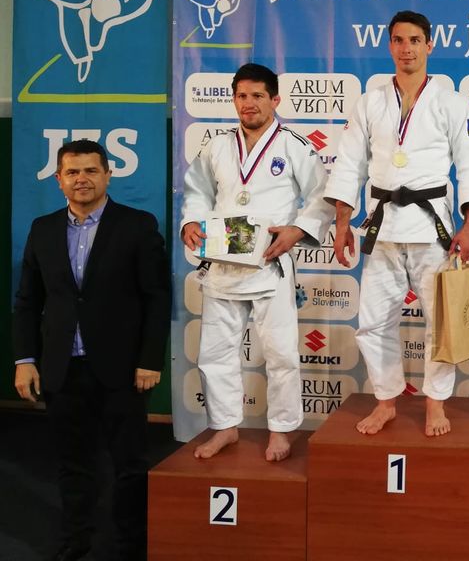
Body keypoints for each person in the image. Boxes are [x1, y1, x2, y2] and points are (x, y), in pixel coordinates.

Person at [325, 10, 469, 437]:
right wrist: (342, 223)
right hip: (382, 227)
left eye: (415, 40)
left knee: (441, 323)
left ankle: (435, 403)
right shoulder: (370, 101)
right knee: (373, 322)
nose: (406, 48)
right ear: (389, 45)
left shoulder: (451, 103)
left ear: (429, 45)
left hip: (433, 228)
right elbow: (349, 165)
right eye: (398, 40)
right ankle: (386, 401)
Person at [13, 139, 169, 561]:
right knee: (72, 464)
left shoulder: (137, 225)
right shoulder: (42, 229)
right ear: (59, 179)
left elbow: (157, 298)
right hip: (62, 368)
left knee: (130, 465)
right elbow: (27, 300)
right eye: (72, 172)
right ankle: (76, 540)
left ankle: (131, 544)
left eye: (90, 171)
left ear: (108, 175)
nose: (81, 179)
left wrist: (150, 360)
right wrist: (25, 360)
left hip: (124, 370)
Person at [181, 63, 332, 461]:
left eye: (257, 96)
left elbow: (322, 195)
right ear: (234, 99)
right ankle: (225, 426)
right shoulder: (217, 146)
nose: (248, 103)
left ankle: (281, 430)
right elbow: (196, 191)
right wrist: (190, 222)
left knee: (280, 353)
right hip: (223, 263)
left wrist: (297, 231)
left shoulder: (294, 145)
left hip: (270, 261)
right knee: (215, 352)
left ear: (275, 99)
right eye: (242, 96)